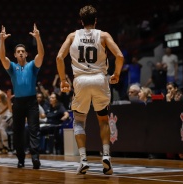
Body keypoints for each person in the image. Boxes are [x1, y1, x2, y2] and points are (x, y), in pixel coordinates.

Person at [56, 5, 124, 175]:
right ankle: (106, 156)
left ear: (80, 21)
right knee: (103, 120)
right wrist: (116, 74)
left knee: (79, 121)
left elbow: (59, 57)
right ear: (95, 20)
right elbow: (120, 56)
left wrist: (63, 80)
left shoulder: (73, 36)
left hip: (80, 80)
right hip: (100, 79)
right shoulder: (104, 35)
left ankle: (84, 159)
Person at [0, 23, 44, 169]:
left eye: (22, 51)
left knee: (33, 130)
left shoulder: (32, 65)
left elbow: (41, 54)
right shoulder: (12, 67)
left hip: (31, 102)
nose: (20, 53)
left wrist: (38, 38)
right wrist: (1, 40)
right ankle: (20, 159)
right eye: (18, 51)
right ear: (15, 54)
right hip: (18, 103)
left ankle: (35, 158)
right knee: (18, 132)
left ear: (26, 54)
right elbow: (1, 57)